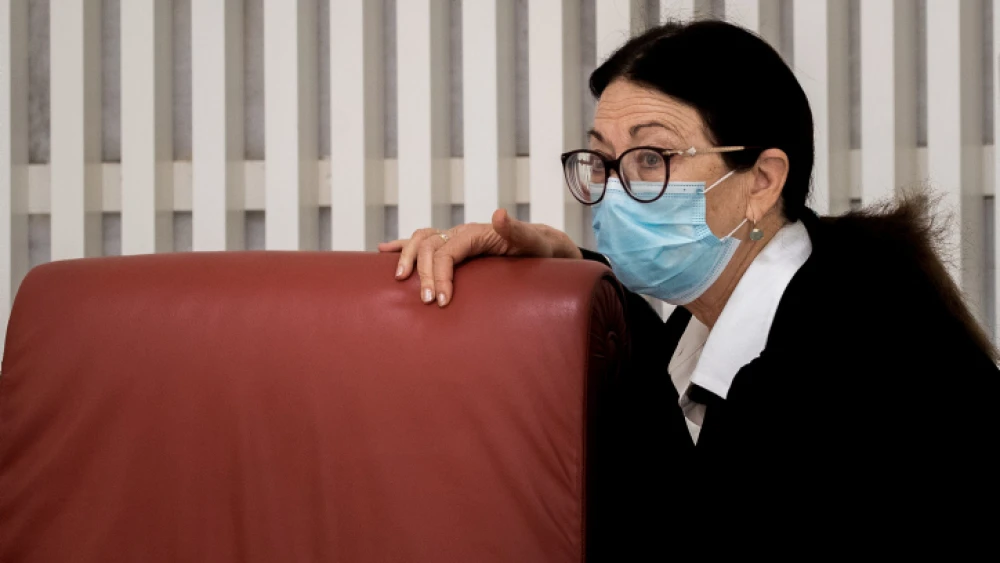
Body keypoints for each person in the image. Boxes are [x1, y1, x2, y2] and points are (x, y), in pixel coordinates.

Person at [380, 20, 998, 545]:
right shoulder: (730, 309)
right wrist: (563, 267)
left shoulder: (849, 356)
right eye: (602, 159)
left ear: (760, 181)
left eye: (651, 158)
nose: (618, 191)